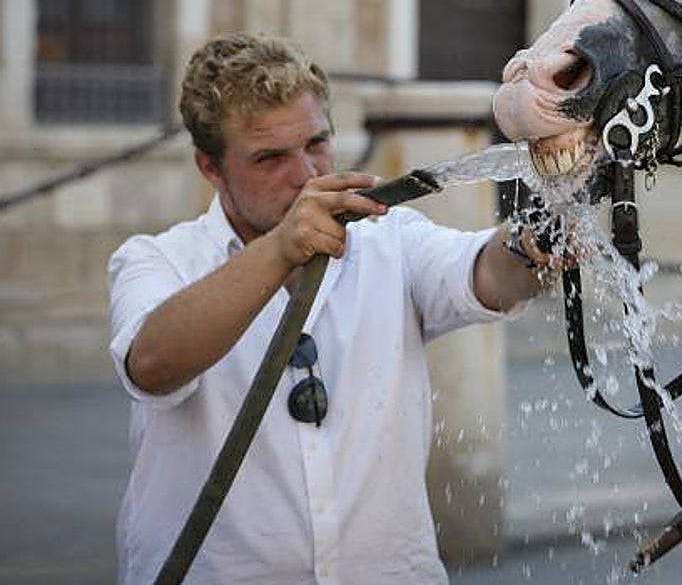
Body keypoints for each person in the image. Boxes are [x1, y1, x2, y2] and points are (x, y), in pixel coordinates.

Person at [108, 34, 553, 584]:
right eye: (270, 158)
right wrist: (279, 249)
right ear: (211, 169)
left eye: (317, 143)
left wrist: (536, 245)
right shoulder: (156, 260)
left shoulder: (392, 241)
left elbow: (484, 272)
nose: (305, 174)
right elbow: (151, 365)